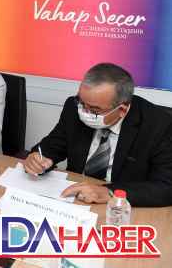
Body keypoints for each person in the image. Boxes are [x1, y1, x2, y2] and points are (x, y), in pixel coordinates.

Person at [24, 63, 172, 207]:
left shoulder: (159, 125)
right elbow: (52, 147)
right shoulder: (74, 107)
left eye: (94, 110)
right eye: (82, 102)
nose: (84, 112)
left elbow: (166, 187)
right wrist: (38, 159)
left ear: (122, 110)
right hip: (76, 199)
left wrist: (109, 192)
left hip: (120, 208)